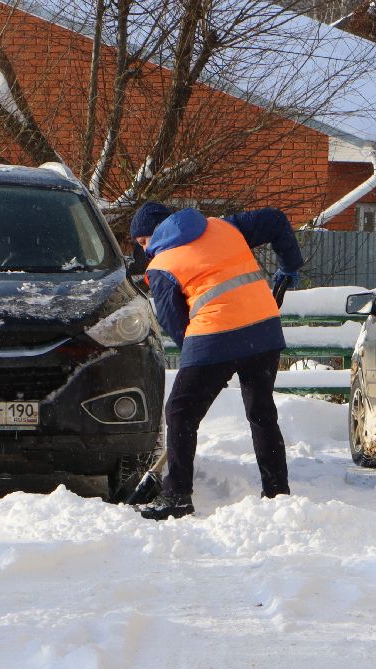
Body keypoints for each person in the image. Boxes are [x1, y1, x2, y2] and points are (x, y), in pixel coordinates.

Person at [128, 201, 306, 520]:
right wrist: (289, 266)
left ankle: (177, 494)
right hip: (264, 330)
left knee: (181, 412)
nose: (145, 250)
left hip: (214, 336)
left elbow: (174, 323)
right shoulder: (221, 226)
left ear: (154, 233)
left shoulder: (162, 265)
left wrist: (202, 360)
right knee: (261, 413)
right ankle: (277, 492)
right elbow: (277, 219)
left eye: (143, 242)